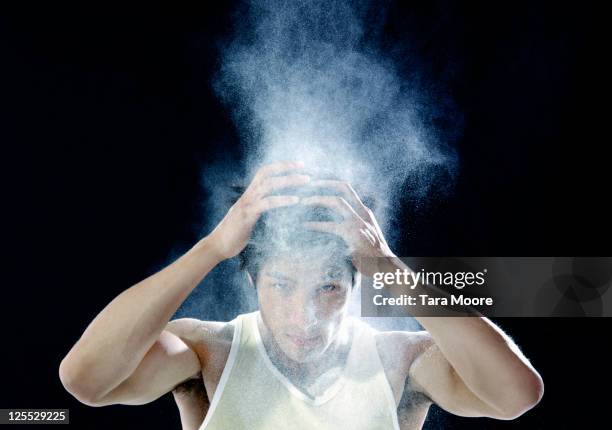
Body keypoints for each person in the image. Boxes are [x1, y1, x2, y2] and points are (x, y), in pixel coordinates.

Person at [59, 160, 544, 430]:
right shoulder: (210, 353)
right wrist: (211, 248)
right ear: (253, 281)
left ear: (357, 284)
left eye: (329, 287)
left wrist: (390, 267)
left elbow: (516, 395)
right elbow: (85, 380)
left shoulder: (400, 360)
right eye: (283, 286)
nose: (305, 315)